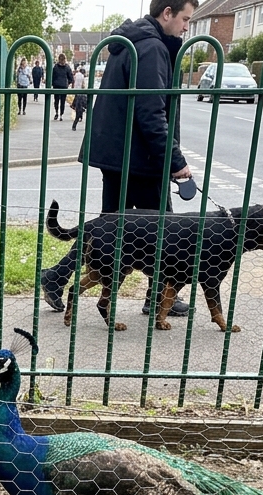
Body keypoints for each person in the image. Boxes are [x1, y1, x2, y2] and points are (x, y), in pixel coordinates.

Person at [84, 0, 198, 316]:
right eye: (185, 19)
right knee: (166, 233)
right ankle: (159, 297)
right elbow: (151, 112)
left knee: (109, 232)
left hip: (120, 155)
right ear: (167, 13)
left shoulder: (130, 41)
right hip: (141, 158)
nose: (187, 27)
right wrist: (175, 162)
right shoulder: (150, 48)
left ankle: (56, 278)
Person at [51, 53, 74, 121]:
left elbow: (52, 77)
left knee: (56, 101)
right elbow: (71, 77)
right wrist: (67, 83)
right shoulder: (67, 67)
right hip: (63, 86)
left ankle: (57, 113)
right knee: (62, 102)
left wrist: (53, 83)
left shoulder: (55, 67)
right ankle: (61, 114)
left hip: (57, 86)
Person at [71, 63, 87, 130]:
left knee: (77, 102)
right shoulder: (82, 77)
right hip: (81, 91)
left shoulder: (76, 75)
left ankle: (73, 106)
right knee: (82, 105)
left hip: (76, 90)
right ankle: (80, 116)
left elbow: (73, 80)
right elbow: (83, 85)